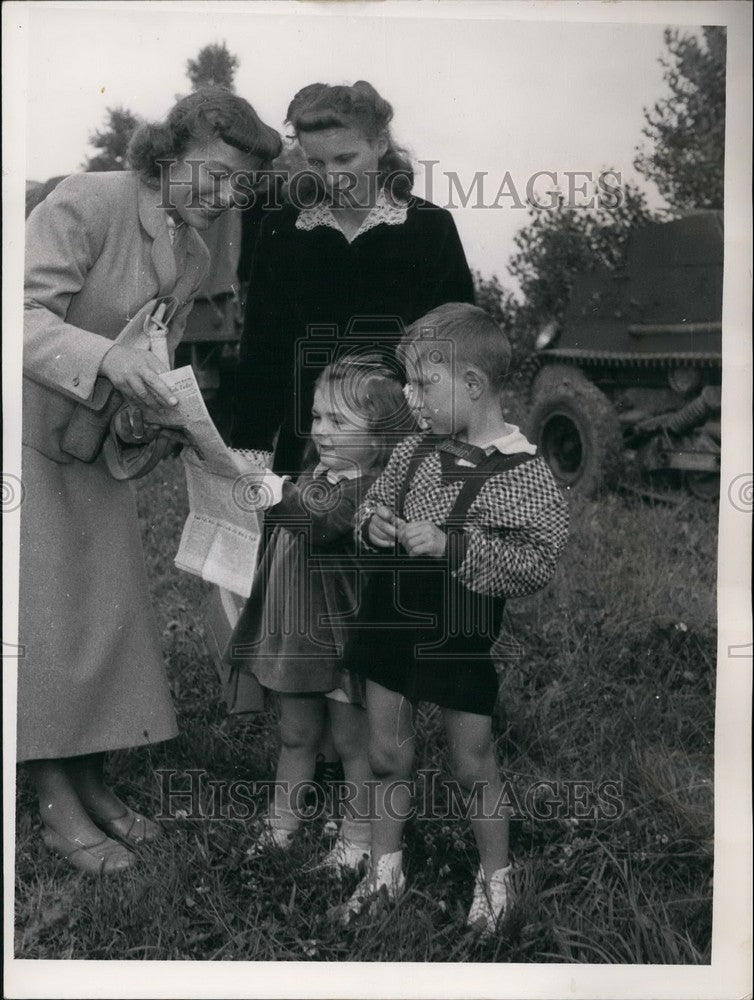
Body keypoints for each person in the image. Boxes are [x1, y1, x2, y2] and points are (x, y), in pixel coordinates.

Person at [19, 88, 281, 874]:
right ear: (169, 152)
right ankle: (55, 799)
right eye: (217, 176)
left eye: (240, 186)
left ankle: (92, 780)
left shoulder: (195, 250)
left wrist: (151, 414)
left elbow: (149, 347)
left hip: (89, 448)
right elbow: (17, 316)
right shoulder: (88, 200)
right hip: (23, 444)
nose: (228, 197)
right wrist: (109, 362)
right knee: (47, 622)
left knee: (103, 615)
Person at [335, 303, 569, 935]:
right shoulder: (413, 449)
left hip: (457, 634)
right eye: (408, 384)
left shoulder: (523, 472)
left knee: (472, 761)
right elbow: (373, 507)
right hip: (390, 621)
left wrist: (452, 546)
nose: (412, 399)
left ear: (473, 385)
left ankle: (496, 879)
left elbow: (537, 561)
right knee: (387, 752)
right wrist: (374, 526)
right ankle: (385, 871)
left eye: (423, 384)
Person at [230, 79, 475, 475]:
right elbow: (261, 355)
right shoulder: (283, 230)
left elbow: (457, 349)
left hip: (406, 449)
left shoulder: (430, 229)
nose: (332, 176)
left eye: (345, 158)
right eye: (317, 163)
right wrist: (250, 450)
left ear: (380, 145)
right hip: (311, 448)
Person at [227, 358, 415, 871]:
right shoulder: (316, 473)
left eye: (339, 421)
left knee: (354, 742)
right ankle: (280, 825)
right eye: (317, 417)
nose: (322, 430)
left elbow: (319, 519)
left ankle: (356, 839)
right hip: (298, 637)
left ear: (381, 437)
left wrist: (260, 483)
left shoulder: (369, 489)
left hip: (343, 638)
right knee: (296, 734)